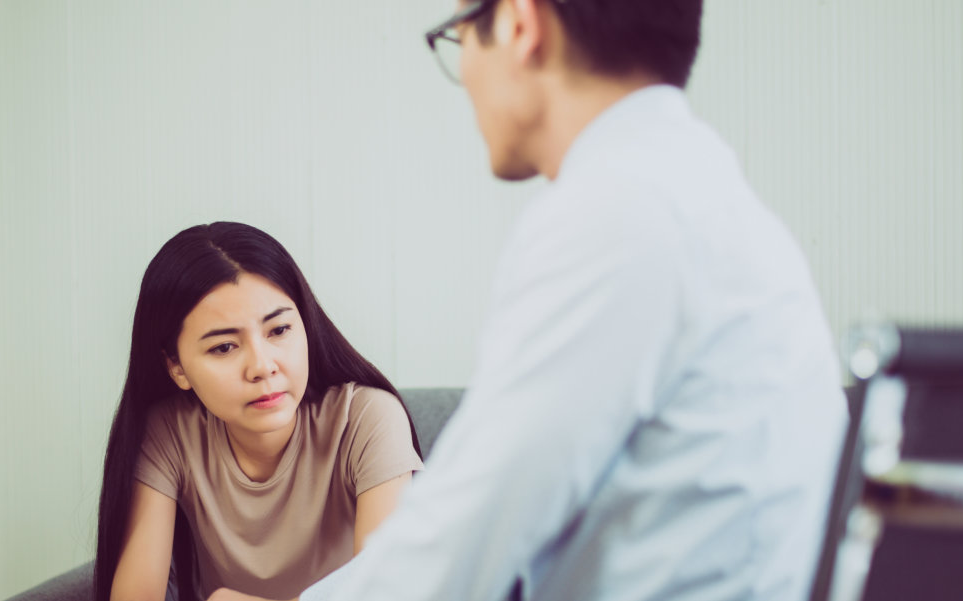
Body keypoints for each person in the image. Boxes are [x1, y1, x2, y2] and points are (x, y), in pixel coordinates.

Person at [317, 0, 849, 599]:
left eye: (459, 36)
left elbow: (462, 539)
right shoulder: (711, 199)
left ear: (520, 25)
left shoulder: (617, 213)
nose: (463, 74)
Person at [94, 222, 425, 601]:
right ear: (177, 368)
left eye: (279, 330)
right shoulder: (169, 431)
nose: (262, 366)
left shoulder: (367, 419)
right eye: (224, 347)